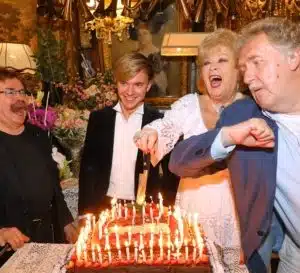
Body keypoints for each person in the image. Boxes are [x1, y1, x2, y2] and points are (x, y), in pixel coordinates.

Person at [169, 17, 300, 273]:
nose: (248, 77)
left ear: (293, 58)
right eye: (243, 68)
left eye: (256, 62)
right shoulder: (242, 115)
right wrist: (227, 137)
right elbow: (179, 160)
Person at [135, 29, 245, 248]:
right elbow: (166, 125)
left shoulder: (251, 107)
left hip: (237, 210)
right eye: (206, 63)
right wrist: (151, 132)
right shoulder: (188, 105)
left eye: (222, 60)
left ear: (238, 69)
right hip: (194, 206)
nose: (213, 67)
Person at [78, 52, 179, 215]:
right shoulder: (99, 119)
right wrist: (84, 213)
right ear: (116, 83)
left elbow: (171, 176)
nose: (130, 92)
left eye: (138, 84)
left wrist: (166, 211)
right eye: (124, 83)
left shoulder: (159, 122)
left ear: (148, 85)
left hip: (145, 209)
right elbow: (88, 170)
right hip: (103, 207)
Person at [0, 69, 76, 266]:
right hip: (10, 254)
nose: (20, 99)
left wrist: (66, 222)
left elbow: (54, 187)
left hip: (49, 241)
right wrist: (1, 233)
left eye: (22, 92)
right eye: (10, 92)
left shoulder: (38, 135)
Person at [137, 23, 168, 97]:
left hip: (158, 90)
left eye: (145, 33)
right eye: (140, 35)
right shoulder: (137, 54)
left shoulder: (161, 53)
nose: (142, 37)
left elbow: (164, 77)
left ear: (151, 35)